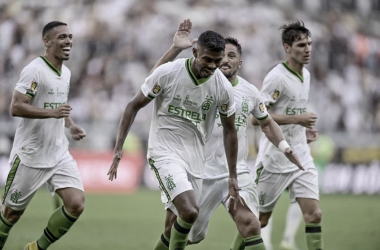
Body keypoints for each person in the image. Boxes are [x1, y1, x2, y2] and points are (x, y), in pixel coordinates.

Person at [149, 19, 304, 250]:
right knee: (177, 231)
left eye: (232, 56)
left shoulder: (250, 92)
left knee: (251, 224)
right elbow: (154, 79)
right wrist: (174, 50)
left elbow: (267, 123)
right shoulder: (200, 83)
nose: (225, 60)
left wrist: (284, 146)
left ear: (239, 62)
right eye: (223, 56)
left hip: (235, 171)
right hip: (199, 170)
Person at [107, 21, 241, 250]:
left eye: (217, 62)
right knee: (189, 211)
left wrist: (233, 175)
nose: (212, 66)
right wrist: (119, 148)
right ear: (195, 52)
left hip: (196, 159)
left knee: (171, 229)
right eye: (207, 59)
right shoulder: (170, 72)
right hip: (164, 152)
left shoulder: (223, 88)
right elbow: (133, 105)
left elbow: (230, 130)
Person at [0, 21, 86, 250]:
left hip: (58, 151)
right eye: (62, 37)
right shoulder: (34, 70)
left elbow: (58, 105)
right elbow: (16, 107)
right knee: (10, 215)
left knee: (76, 204)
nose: (68, 41)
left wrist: (70, 125)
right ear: (47, 42)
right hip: (30, 154)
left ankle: (36, 248)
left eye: (69, 36)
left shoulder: (65, 72)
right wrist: (52, 113)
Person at [251, 20, 323, 250]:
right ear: (287, 47)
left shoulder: (307, 75)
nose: (307, 49)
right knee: (260, 220)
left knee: (314, 215)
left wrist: (303, 130)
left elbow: (292, 112)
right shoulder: (277, 77)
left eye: (309, 44)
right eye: (301, 45)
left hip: (301, 155)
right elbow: (256, 118)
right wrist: (297, 120)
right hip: (275, 158)